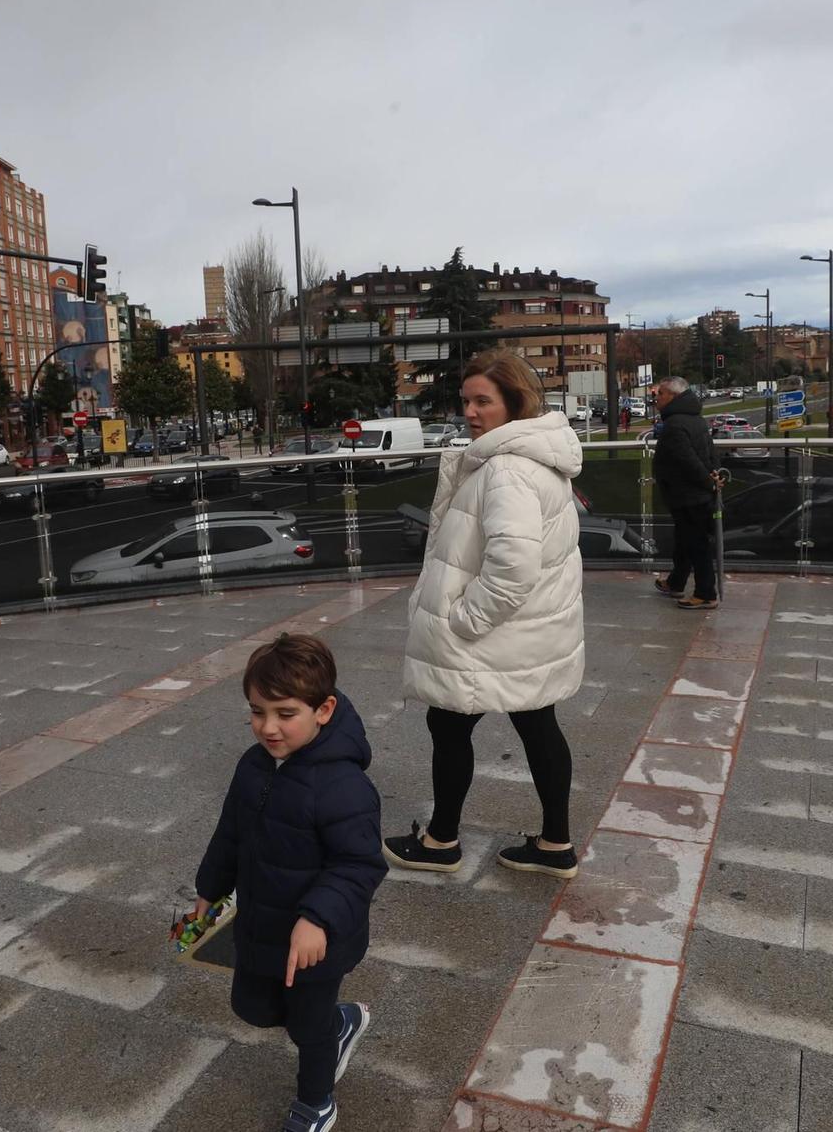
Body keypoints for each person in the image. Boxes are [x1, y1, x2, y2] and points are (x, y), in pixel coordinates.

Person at [388, 349, 586, 879]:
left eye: (484, 402)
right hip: (530, 630)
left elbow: (512, 568)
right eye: (467, 401)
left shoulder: (507, 469)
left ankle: (441, 840)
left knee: (449, 722)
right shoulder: (534, 458)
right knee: (537, 721)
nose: (471, 413)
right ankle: (554, 844)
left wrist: (462, 621)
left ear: (514, 404)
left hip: (494, 631)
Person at [194, 634, 385, 1132]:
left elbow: (359, 865)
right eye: (257, 712)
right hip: (263, 920)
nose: (268, 727)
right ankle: (339, 1024)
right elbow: (231, 832)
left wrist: (317, 918)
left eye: (284, 713)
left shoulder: (343, 786)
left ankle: (316, 1100)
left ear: (323, 709)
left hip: (318, 939)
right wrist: (208, 890)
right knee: (252, 1007)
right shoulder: (253, 765)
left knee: (306, 1024)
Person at [651, 376, 721, 610]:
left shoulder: (675, 425)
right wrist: (713, 476)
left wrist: (708, 482)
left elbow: (687, 461)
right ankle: (676, 582)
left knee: (696, 545)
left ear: (672, 396)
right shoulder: (696, 420)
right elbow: (709, 453)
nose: (656, 398)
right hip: (695, 495)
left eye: (660, 394)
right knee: (685, 541)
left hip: (688, 496)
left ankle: (705, 593)